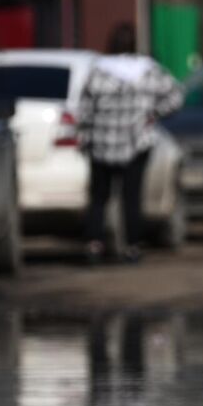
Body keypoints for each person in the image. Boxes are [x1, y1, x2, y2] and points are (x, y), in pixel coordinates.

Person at [76, 22, 183, 264]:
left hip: (101, 144)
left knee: (99, 197)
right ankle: (132, 246)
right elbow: (176, 96)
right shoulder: (148, 71)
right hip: (136, 143)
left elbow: (84, 108)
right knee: (131, 197)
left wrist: (86, 133)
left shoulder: (98, 71)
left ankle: (94, 245)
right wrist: (154, 114)